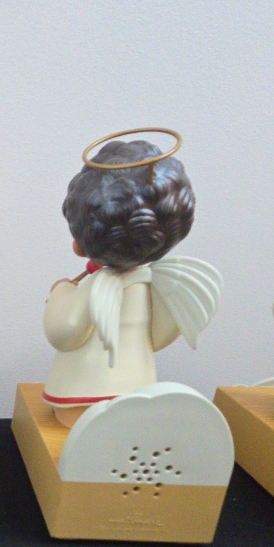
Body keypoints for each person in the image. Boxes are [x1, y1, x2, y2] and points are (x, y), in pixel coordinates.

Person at [43, 139, 221, 428]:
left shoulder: (97, 286)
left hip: (84, 396)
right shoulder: (156, 285)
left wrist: (61, 291)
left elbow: (63, 332)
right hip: (137, 393)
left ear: (83, 240)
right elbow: (159, 338)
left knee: (85, 429)